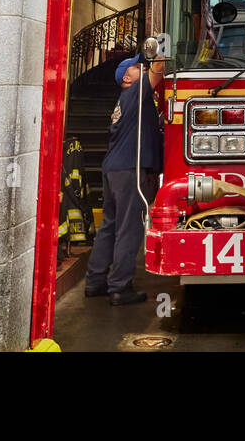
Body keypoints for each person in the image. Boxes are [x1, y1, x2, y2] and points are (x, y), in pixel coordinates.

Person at [84, 52, 164, 305]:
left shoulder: (125, 100)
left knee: (109, 227)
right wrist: (161, 45)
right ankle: (120, 287)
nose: (144, 69)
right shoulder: (134, 93)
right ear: (127, 77)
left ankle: (95, 282)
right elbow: (160, 69)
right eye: (139, 67)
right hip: (130, 168)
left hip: (113, 169)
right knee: (129, 228)